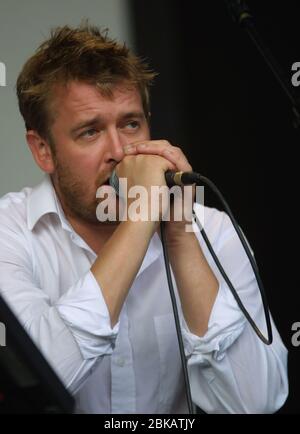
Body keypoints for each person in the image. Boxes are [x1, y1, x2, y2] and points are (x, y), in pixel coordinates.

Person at [0, 23, 288, 414]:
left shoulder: (212, 231)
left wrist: (180, 237)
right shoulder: (9, 233)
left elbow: (256, 403)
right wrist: (140, 219)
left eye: (131, 124)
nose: (119, 151)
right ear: (42, 150)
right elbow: (42, 381)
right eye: (90, 132)